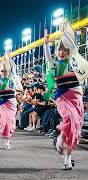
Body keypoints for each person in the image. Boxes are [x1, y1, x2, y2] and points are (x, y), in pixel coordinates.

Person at [44, 22, 88, 170]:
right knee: (70, 119)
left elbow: (74, 47)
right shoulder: (54, 65)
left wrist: (65, 33)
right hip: (62, 97)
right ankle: (61, 139)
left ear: (68, 51)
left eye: (64, 50)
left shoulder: (73, 61)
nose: (61, 52)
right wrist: (46, 44)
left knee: (75, 127)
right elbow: (48, 59)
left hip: (76, 97)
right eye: (59, 50)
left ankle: (68, 158)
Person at [0, 51, 22, 150]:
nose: (4, 73)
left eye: (5, 71)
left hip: (11, 102)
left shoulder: (12, 76)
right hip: (2, 102)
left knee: (10, 121)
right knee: (4, 121)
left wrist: (9, 58)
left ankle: (7, 139)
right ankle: (3, 130)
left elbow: (14, 66)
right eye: (2, 71)